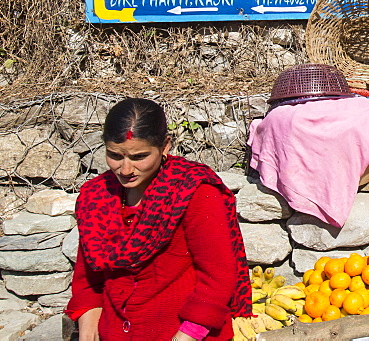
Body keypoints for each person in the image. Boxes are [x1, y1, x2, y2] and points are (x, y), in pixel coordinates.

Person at [66, 98, 251, 341]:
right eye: (115, 155)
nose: (125, 169)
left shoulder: (193, 191)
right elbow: (88, 279)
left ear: (164, 146)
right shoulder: (97, 196)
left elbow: (217, 278)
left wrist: (187, 335)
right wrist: (88, 331)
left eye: (139, 156)